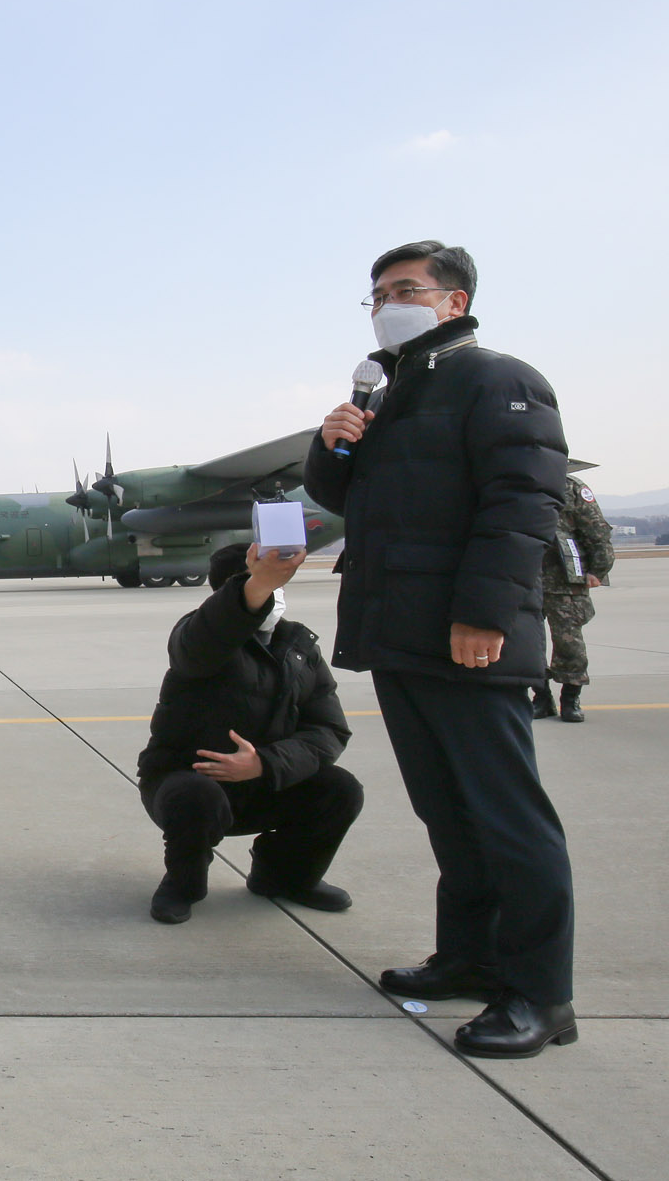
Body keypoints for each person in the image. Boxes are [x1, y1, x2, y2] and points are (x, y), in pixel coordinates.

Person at [306, 239, 576, 1059]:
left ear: (454, 301)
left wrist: (485, 614)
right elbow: (346, 499)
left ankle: (541, 994)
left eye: (405, 289)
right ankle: (469, 956)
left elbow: (522, 502)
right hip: (400, 634)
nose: (387, 305)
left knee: (508, 817)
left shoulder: (499, 380)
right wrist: (333, 441)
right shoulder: (393, 394)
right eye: (378, 294)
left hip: (467, 636)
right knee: (450, 814)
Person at [138, 544, 362, 924]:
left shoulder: (299, 648)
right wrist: (256, 585)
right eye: (259, 583)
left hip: (264, 781)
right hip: (189, 782)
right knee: (196, 796)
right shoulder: (197, 639)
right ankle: (183, 885)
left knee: (341, 789)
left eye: (277, 583)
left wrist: (265, 764)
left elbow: (328, 729)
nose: (272, 593)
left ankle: (284, 877)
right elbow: (213, 631)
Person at [532, 473, 613, 723]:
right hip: (524, 578)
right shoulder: (513, 481)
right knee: (527, 643)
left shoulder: (570, 487)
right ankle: (541, 697)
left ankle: (570, 698)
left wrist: (598, 569)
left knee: (569, 643)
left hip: (565, 579)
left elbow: (596, 530)